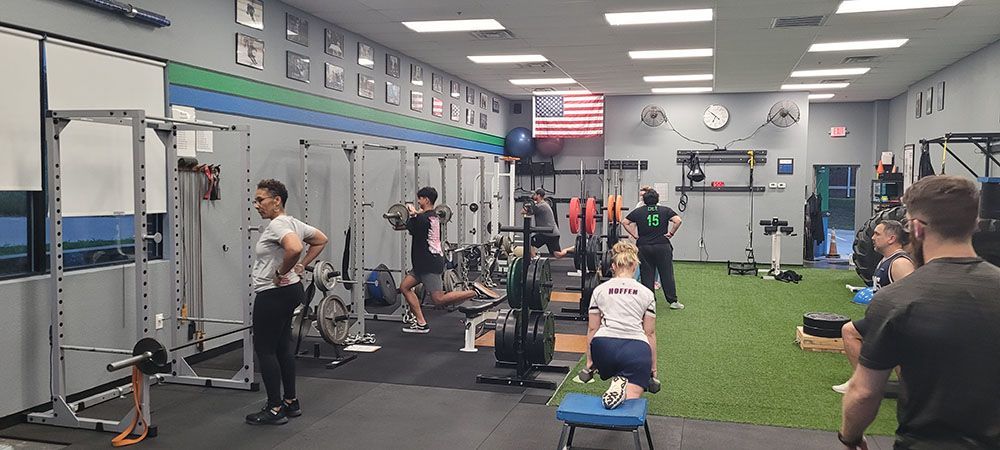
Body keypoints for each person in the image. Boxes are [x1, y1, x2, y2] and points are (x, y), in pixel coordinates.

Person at [839, 176, 1000, 450]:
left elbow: (864, 393)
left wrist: (850, 436)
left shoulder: (896, 298)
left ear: (916, 227)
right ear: (974, 223)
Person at [246, 179, 328, 425]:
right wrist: (301, 265)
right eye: (255, 200)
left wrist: (282, 271)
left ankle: (274, 409)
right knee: (282, 347)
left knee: (265, 350)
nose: (256, 205)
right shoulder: (293, 222)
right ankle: (290, 402)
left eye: (260, 200)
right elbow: (321, 239)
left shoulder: (278, 224)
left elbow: (293, 247)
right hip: (292, 291)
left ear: (276, 200)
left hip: (273, 293)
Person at [833, 220, 914, 393]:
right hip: (883, 319)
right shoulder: (886, 260)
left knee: (849, 331)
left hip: (893, 322)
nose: (872, 237)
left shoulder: (900, 263)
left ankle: (861, 384)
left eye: (877, 234)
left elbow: (912, 296)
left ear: (891, 238)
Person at [400, 186, 491, 333]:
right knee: (404, 287)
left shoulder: (421, 219)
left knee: (439, 299)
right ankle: (421, 323)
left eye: (420, 199)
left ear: (426, 199)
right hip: (424, 263)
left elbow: (407, 225)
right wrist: (416, 214)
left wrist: (411, 214)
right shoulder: (434, 216)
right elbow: (421, 220)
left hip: (428, 264)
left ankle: (475, 292)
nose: (418, 201)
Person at [584, 241, 658, 409]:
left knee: (614, 365)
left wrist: (590, 361)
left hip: (603, 349)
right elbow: (650, 333)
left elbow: (593, 329)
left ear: (612, 266)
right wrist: (653, 368)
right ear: (634, 266)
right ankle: (623, 386)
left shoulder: (600, 290)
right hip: (635, 350)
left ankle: (617, 382)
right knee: (632, 397)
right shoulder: (647, 293)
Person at [622, 189, 684, 309]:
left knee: (646, 274)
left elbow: (624, 222)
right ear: (657, 200)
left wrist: (634, 235)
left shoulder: (638, 211)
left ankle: (649, 302)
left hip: (644, 246)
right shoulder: (665, 210)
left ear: (644, 201)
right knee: (666, 273)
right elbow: (678, 221)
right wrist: (671, 233)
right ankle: (673, 301)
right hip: (662, 246)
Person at [524, 189, 560, 258]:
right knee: (557, 255)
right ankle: (573, 249)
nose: (533, 196)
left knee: (528, 242)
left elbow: (524, 211)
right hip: (553, 233)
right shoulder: (543, 204)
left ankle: (534, 261)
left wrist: (527, 204)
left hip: (546, 233)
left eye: (534, 195)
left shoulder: (540, 206)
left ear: (538, 195)